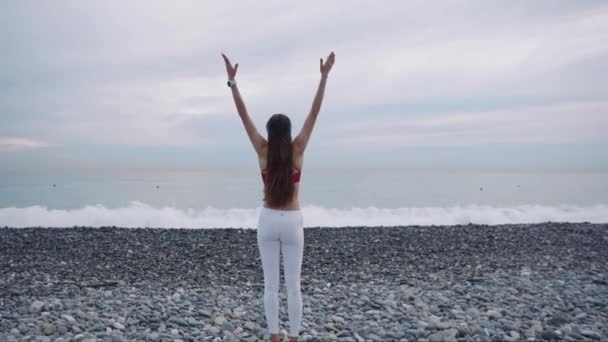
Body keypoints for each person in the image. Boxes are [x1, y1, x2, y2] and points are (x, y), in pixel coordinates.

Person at [222, 51, 335, 342]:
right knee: (293, 287)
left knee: (271, 286)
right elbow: (314, 113)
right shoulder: (298, 149)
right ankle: (294, 338)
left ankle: (274, 337)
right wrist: (323, 77)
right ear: (289, 132)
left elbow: (243, 116)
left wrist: (233, 83)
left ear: (271, 133)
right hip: (293, 221)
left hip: (268, 220)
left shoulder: (262, 150)